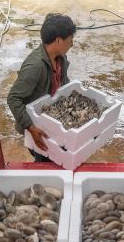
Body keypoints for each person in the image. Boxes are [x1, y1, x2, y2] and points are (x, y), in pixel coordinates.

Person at [7, 13, 76, 162]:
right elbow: (13, 99)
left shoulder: (60, 58)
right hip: (37, 127)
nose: (72, 44)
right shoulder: (35, 66)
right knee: (45, 161)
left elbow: (62, 82)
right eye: (70, 39)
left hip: (51, 118)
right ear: (58, 40)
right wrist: (31, 128)